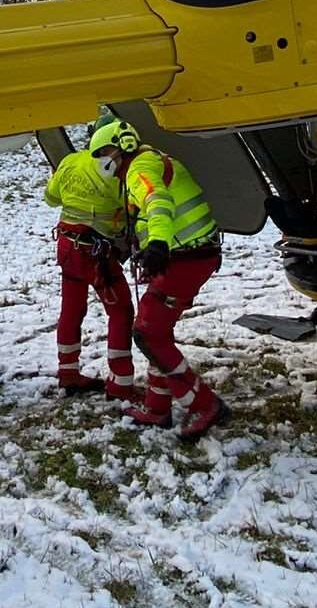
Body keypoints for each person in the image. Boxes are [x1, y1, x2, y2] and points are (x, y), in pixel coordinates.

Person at [93, 120, 229, 439]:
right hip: (189, 255)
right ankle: (157, 408)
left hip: (186, 258)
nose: (102, 160)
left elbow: (157, 203)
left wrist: (157, 244)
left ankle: (204, 404)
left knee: (148, 332)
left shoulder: (140, 168)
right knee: (155, 328)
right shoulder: (147, 162)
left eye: (104, 152)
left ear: (123, 145)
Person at [43, 135, 134, 398]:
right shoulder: (118, 170)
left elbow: (51, 198)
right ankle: (121, 384)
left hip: (68, 246)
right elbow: (129, 207)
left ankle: (68, 375)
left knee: (71, 311)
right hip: (96, 251)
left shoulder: (71, 161)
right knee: (121, 311)